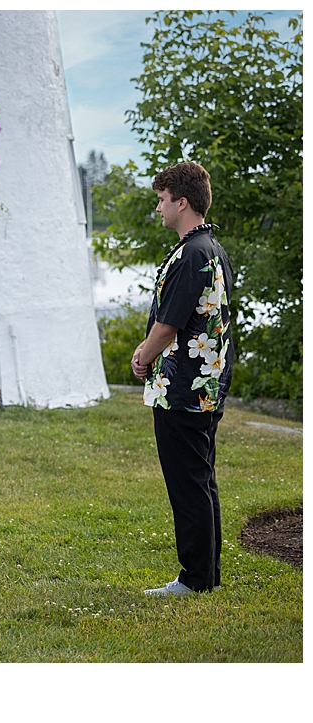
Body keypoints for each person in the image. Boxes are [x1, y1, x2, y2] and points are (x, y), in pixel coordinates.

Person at [131, 161, 233, 597]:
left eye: (162, 200)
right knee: (200, 480)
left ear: (182, 202)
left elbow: (170, 323)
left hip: (184, 389)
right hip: (203, 386)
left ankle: (194, 580)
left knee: (188, 484)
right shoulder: (211, 247)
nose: (158, 208)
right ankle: (205, 575)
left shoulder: (191, 254)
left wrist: (141, 355)